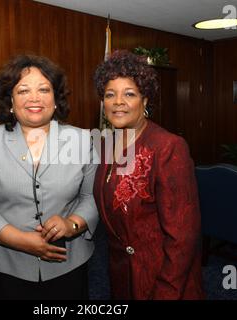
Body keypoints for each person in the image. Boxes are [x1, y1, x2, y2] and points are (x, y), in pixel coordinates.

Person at [0, 54, 99, 300]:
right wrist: (22, 241)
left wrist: (72, 224)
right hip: (9, 267)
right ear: (10, 101)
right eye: (23, 90)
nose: (34, 98)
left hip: (69, 264)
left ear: (56, 99)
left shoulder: (81, 140)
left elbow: (93, 197)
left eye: (44, 89)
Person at [92, 50, 205, 300]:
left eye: (129, 94)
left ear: (145, 101)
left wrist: (167, 291)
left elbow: (183, 239)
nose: (118, 101)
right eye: (110, 95)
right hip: (121, 273)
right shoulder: (105, 145)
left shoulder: (168, 147)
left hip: (163, 277)